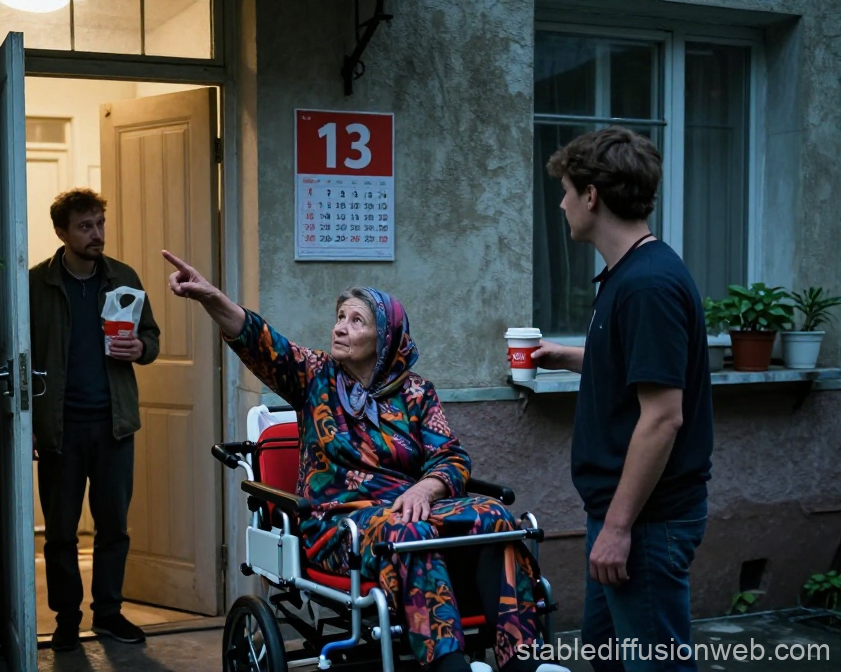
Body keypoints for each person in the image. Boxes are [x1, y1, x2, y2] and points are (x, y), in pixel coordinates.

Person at [163, 250, 568, 672]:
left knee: (496, 516)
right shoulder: (315, 377)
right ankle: (448, 664)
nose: (340, 327)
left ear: (385, 338)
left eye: (356, 320)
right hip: (340, 526)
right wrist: (210, 297)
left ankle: (523, 660)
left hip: (410, 509)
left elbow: (451, 457)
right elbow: (260, 342)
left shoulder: (416, 393)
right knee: (410, 531)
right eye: (340, 316)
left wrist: (425, 488)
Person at [531, 127, 713, 671]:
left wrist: (616, 529)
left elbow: (662, 418)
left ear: (591, 196)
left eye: (566, 190)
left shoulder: (648, 285)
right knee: (608, 658)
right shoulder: (627, 275)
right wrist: (569, 355)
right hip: (622, 515)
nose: (561, 203)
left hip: (643, 523)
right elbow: (639, 367)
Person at [29, 188, 161, 652]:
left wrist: (141, 349)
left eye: (100, 224)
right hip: (60, 429)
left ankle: (108, 614)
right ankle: (67, 620)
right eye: (85, 226)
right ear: (62, 232)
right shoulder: (35, 285)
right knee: (61, 533)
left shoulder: (122, 276)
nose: (97, 234)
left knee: (113, 528)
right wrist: (25, 423)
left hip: (114, 425)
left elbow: (152, 337)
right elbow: (18, 355)